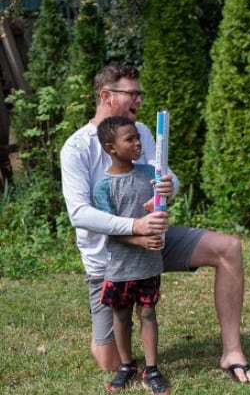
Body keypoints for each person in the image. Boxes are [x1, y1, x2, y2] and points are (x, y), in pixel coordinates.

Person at [60, 63, 250, 384]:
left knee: (229, 248)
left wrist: (169, 185)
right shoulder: (77, 148)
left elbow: (164, 173)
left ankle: (232, 351)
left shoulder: (143, 133)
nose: (138, 99)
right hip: (110, 260)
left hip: (155, 246)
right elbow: (79, 213)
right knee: (108, 362)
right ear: (106, 96)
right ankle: (108, 338)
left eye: (140, 93)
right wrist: (135, 228)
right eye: (131, 93)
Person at [94, 116, 171, 393]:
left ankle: (152, 369)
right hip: (121, 266)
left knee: (148, 312)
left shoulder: (151, 175)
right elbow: (108, 227)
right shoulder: (104, 186)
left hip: (150, 264)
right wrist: (139, 239)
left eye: (138, 137)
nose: (138, 143)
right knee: (122, 314)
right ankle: (127, 364)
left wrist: (166, 194)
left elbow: (161, 206)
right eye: (130, 139)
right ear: (111, 147)